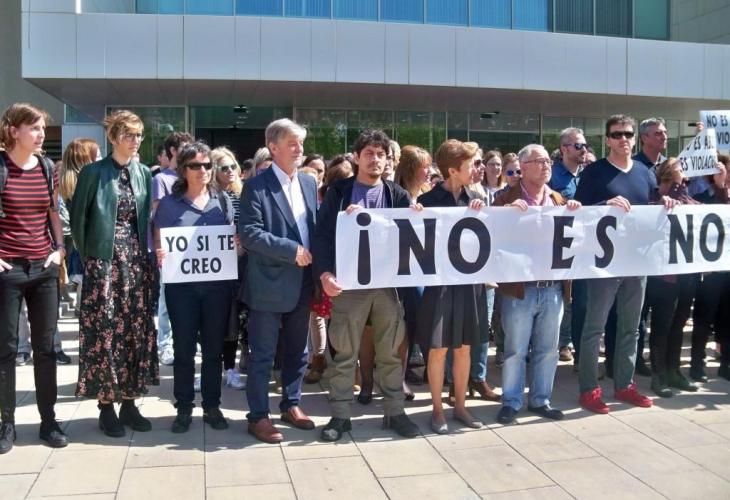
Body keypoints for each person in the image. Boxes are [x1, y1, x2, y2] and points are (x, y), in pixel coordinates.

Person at [314, 129, 420, 442]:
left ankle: (395, 412)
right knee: (344, 353)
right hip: (349, 286)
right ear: (357, 157)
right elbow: (322, 235)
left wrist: (417, 216)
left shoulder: (397, 194)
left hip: (387, 286)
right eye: (369, 153)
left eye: (381, 154)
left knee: (390, 352)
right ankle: (340, 416)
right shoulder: (339, 192)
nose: (375, 159)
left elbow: (410, 238)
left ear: (388, 160)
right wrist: (325, 274)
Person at [574, 114, 678, 414]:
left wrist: (665, 202)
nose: (623, 139)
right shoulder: (594, 172)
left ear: (635, 138)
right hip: (604, 263)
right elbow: (577, 212)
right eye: (617, 134)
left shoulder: (645, 173)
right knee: (594, 328)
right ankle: (589, 389)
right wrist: (604, 205)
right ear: (607, 139)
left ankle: (624, 384)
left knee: (631, 328)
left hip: (636, 261)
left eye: (628, 134)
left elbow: (651, 208)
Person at [71, 109, 158, 437]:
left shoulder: (143, 173)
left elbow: (144, 221)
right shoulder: (93, 172)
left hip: (135, 264)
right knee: (105, 333)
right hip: (104, 263)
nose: (135, 141)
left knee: (135, 332)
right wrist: (93, 260)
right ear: (113, 137)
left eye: (138, 135)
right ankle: (106, 406)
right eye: (128, 135)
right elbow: (78, 221)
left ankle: (130, 403)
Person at [239, 119, 318, 444]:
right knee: (263, 355)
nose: (300, 149)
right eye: (292, 143)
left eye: (301, 143)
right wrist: (291, 250)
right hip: (269, 284)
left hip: (303, 282)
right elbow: (250, 234)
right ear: (273, 147)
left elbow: (315, 226)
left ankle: (291, 404)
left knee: (298, 350)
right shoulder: (256, 186)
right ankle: (258, 416)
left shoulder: (309, 183)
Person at [0, 103, 69, 453]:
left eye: (43, 128)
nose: (42, 134)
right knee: (6, 348)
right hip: (8, 269)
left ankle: (48, 421)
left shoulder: (46, 167)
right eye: (35, 128)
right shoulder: (1, 167)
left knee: (46, 348)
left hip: (43, 266)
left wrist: (59, 249)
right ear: (14, 131)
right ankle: (7, 424)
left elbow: (52, 211)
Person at [494, 144, 580, 424]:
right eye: (538, 161)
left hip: (552, 288)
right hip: (520, 290)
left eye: (547, 161)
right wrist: (505, 213)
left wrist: (574, 212)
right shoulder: (505, 198)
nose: (545, 166)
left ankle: (541, 400)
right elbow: (490, 232)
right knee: (516, 350)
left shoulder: (558, 199)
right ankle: (511, 401)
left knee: (547, 350)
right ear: (523, 167)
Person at [154, 141, 234, 433]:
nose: (203, 170)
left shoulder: (222, 200)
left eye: (207, 165)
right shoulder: (169, 204)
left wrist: (236, 246)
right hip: (182, 289)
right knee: (184, 349)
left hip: (217, 289)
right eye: (195, 165)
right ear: (183, 170)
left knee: (214, 349)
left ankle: (212, 406)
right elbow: (158, 240)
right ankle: (184, 407)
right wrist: (160, 252)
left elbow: (231, 239)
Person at [416, 139, 488, 434]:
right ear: (453, 170)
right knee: (438, 349)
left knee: (464, 347)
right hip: (440, 285)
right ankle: (437, 409)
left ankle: (460, 406)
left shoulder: (477, 197)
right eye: (472, 164)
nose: (477, 169)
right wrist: (415, 216)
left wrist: (482, 212)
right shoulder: (429, 200)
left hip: (469, 284)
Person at [646, 157, 708, 397]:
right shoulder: (655, 196)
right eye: (680, 168)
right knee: (662, 325)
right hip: (664, 276)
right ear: (669, 171)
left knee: (679, 323)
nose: (684, 171)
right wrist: (671, 194)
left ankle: (674, 370)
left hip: (686, 275)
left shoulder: (686, 196)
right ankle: (659, 374)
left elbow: (698, 209)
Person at [549, 128, 588, 364]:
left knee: (581, 300)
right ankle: (563, 343)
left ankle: (579, 347)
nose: (584, 150)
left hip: (585, 247)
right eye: (578, 145)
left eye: (585, 145)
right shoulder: (552, 175)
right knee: (563, 297)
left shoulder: (590, 174)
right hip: (559, 246)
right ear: (564, 149)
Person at [210, 146, 246, 391]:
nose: (231, 171)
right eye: (224, 167)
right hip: (212, 267)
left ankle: (230, 369)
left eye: (233, 166)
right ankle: (210, 369)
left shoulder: (241, 195)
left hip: (238, 264)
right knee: (213, 322)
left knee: (233, 321)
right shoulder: (208, 197)